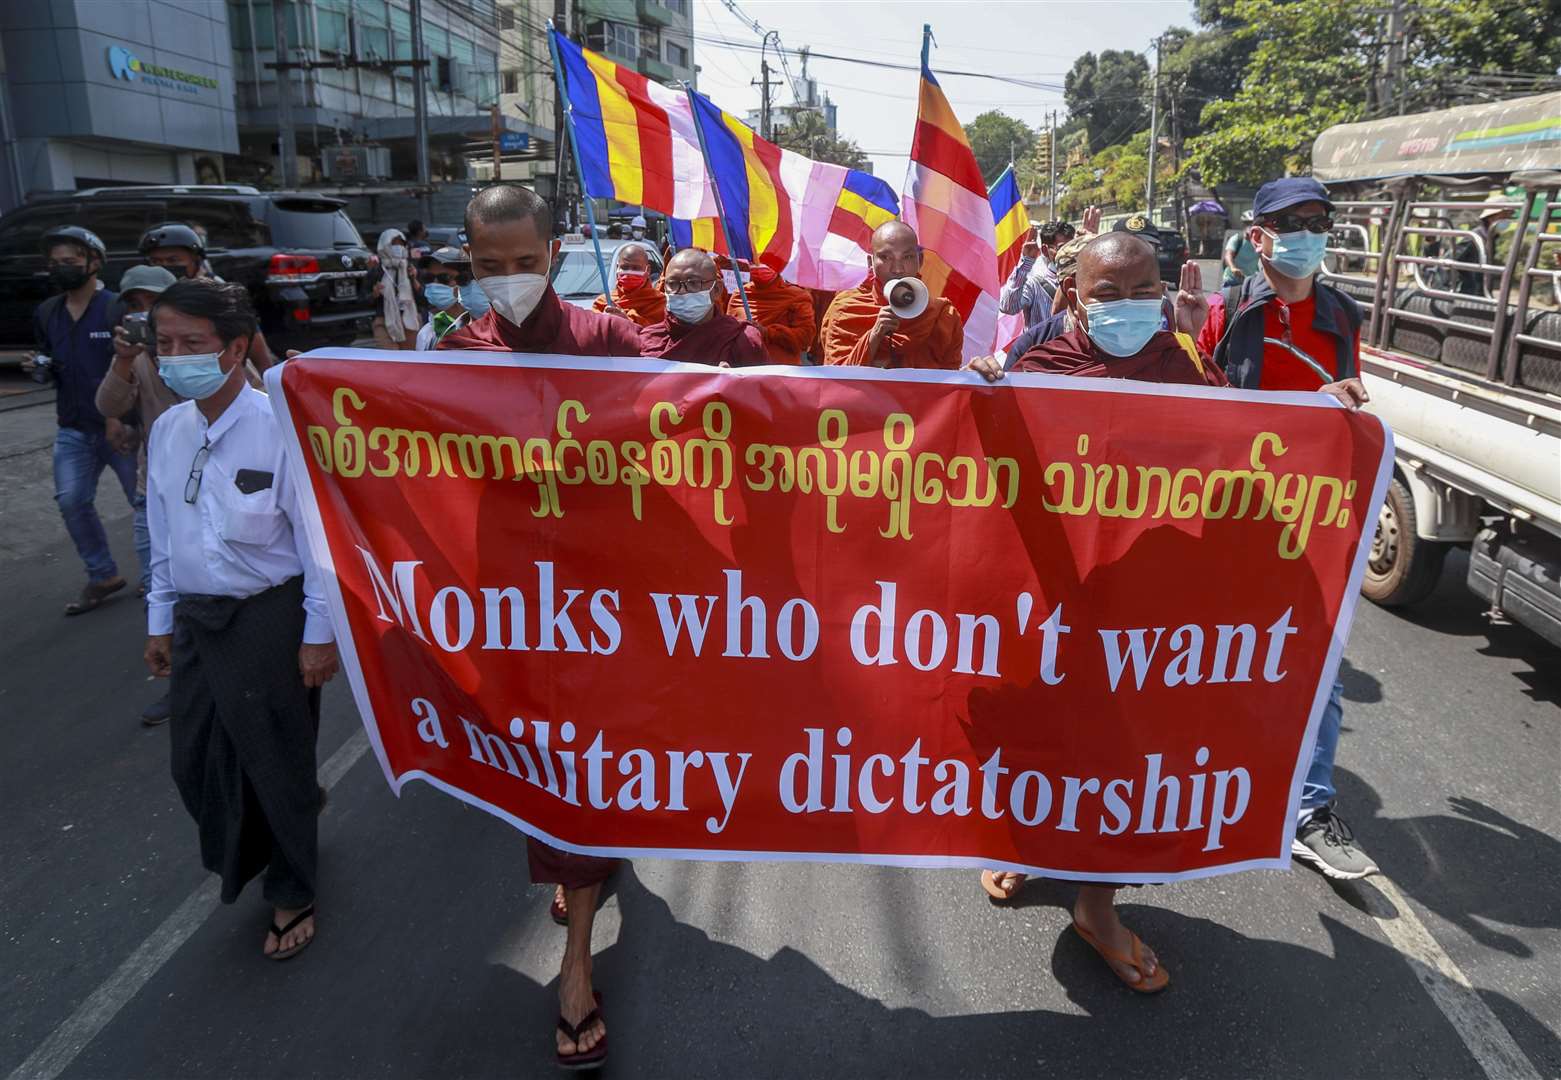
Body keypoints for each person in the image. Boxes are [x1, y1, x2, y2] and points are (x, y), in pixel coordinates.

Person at [967, 232, 1228, 995]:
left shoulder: (1186, 366)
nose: (1123, 307)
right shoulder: (1038, 366)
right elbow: (982, 476)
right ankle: (1025, 839)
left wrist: (1325, 415)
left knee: (1121, 754)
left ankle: (1094, 906)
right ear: (1074, 298)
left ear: (1164, 293)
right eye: (1104, 295)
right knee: (1037, 731)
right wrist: (983, 392)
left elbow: (1245, 450)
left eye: (1140, 290)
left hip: (1142, 599)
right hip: (1049, 590)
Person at [440, 185, 637, 1067]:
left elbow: (698, 430)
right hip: (509, 604)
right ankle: (575, 861)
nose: (508, 280)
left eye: (524, 263)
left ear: (552, 253)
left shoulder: (606, 341)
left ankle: (575, 966)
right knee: (541, 760)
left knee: (587, 763)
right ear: (468, 263)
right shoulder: (454, 354)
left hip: (605, 602)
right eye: (490, 267)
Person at [1178, 175, 1377, 881]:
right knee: (1211, 655)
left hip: (1310, 525)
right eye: (1291, 222)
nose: (1307, 234)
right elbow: (1198, 409)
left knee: (1318, 670)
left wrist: (1340, 406)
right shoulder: (1226, 310)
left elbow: (1350, 410)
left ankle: (1308, 812)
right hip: (1231, 521)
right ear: (1257, 237)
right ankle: (1193, 782)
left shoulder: (1342, 314)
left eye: (1318, 221)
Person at [142, 278, 339, 961]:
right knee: (192, 763)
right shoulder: (168, 430)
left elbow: (318, 547)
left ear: (232, 350)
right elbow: (162, 534)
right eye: (164, 344)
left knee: (274, 760)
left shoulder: (278, 427)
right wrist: (158, 621)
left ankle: (293, 887)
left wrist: (319, 636)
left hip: (270, 619)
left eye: (191, 344)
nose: (175, 358)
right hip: (199, 621)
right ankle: (282, 825)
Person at [23, 226, 140, 616]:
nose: (61, 269)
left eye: (70, 262)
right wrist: (38, 367)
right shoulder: (47, 312)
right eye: (55, 263)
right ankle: (102, 574)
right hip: (73, 427)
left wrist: (121, 416)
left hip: (119, 427)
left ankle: (162, 579)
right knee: (72, 500)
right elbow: (48, 358)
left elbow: (134, 366)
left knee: (141, 503)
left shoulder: (115, 308)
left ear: (94, 263)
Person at [820, 220, 964, 369]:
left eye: (907, 257)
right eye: (886, 257)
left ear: (920, 261)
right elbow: (835, 382)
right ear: (871, 263)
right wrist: (874, 336)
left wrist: (974, 374)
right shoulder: (846, 309)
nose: (897, 269)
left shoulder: (942, 315)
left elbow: (950, 382)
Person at [139, 223, 277, 370]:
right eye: (156, 261)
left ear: (195, 261)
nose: (164, 267)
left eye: (173, 260)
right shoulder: (141, 294)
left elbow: (260, 357)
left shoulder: (218, 296)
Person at [640, 248, 768, 366]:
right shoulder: (649, 339)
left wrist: (732, 385)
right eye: (673, 284)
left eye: (694, 283)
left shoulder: (744, 339)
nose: (682, 291)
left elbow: (762, 388)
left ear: (717, 290)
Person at [726, 253, 816, 364]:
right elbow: (728, 334)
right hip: (746, 369)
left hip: (782, 372)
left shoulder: (797, 296)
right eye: (755, 262)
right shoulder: (740, 294)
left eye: (767, 263)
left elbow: (805, 339)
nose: (760, 267)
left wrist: (768, 332)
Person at [998, 219, 1073, 328]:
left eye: (1073, 246)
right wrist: (1025, 265)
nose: (1069, 253)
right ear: (1045, 250)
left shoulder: (1082, 280)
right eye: (1062, 248)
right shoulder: (1034, 283)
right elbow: (1008, 307)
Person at [414, 246, 490, 350]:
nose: (434, 284)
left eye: (444, 278)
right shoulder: (426, 334)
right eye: (428, 278)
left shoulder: (488, 332)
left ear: (464, 282)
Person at [592, 242, 666, 327]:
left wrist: (627, 321)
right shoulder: (604, 302)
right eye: (625, 267)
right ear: (617, 268)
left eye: (636, 268)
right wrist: (603, 321)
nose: (629, 272)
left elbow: (656, 334)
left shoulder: (659, 302)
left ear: (648, 270)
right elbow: (593, 332)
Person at [371, 228, 420, 350]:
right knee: (389, 358)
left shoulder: (410, 267)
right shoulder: (376, 270)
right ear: (385, 245)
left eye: (401, 243)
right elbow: (362, 300)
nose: (398, 247)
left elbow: (422, 298)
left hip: (409, 320)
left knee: (410, 361)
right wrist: (374, 293)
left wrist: (414, 279)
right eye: (394, 243)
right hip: (384, 321)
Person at [1221, 210, 1259, 288]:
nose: (1250, 226)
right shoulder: (1237, 239)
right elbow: (1228, 255)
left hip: (1249, 281)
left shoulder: (1259, 242)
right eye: (1247, 224)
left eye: (1252, 224)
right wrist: (1233, 268)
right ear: (1243, 225)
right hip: (1232, 280)